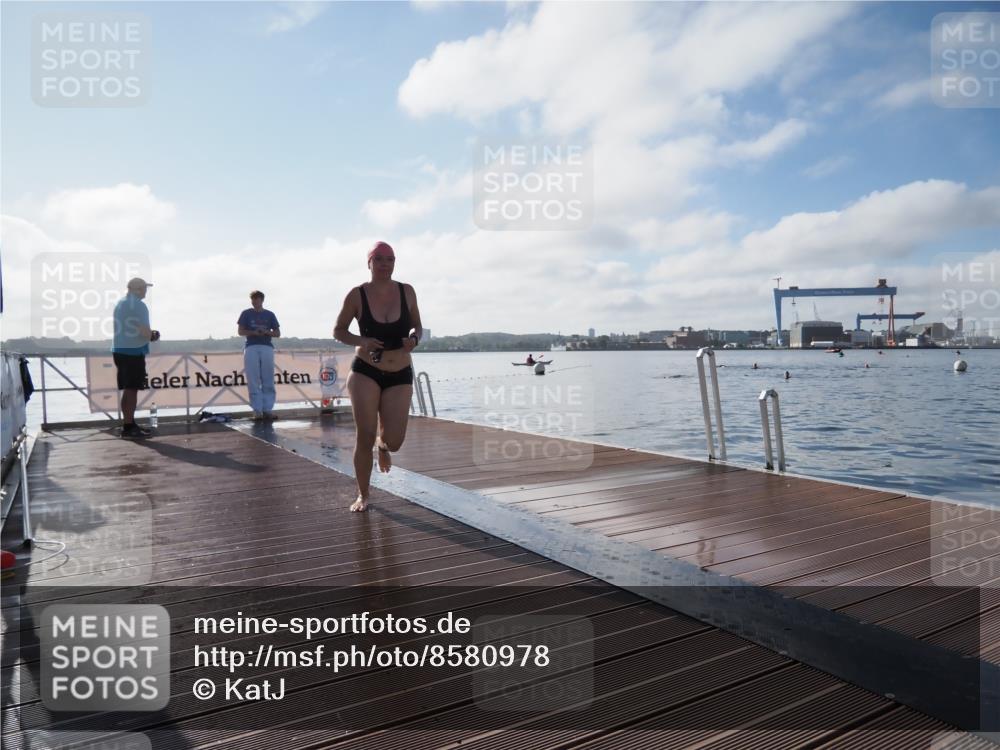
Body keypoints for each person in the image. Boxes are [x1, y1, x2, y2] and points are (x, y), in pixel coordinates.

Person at [334, 241, 423, 512]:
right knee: (365, 434)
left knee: (394, 441)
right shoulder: (357, 295)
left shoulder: (406, 291)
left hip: (400, 371)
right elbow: (339, 331)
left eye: (390, 259)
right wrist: (363, 340)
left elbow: (417, 325)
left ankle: (382, 446)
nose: (385, 264)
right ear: (369, 262)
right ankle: (363, 494)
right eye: (379, 259)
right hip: (366, 371)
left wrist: (414, 339)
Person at [112, 277, 160, 438]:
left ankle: (128, 424)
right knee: (132, 389)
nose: (146, 291)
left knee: (128, 389)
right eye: (144, 288)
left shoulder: (121, 303)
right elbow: (144, 331)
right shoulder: (138, 305)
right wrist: (153, 335)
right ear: (137, 289)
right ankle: (129, 427)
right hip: (133, 352)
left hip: (120, 350)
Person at [237, 290, 281, 420]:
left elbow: (277, 333)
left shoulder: (270, 314)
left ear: (262, 300)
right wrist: (254, 332)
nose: (255, 302)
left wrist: (267, 332)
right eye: (253, 300)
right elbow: (240, 331)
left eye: (257, 299)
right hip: (251, 346)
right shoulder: (246, 313)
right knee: (253, 379)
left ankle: (267, 409)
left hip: (266, 347)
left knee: (268, 378)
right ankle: (257, 410)